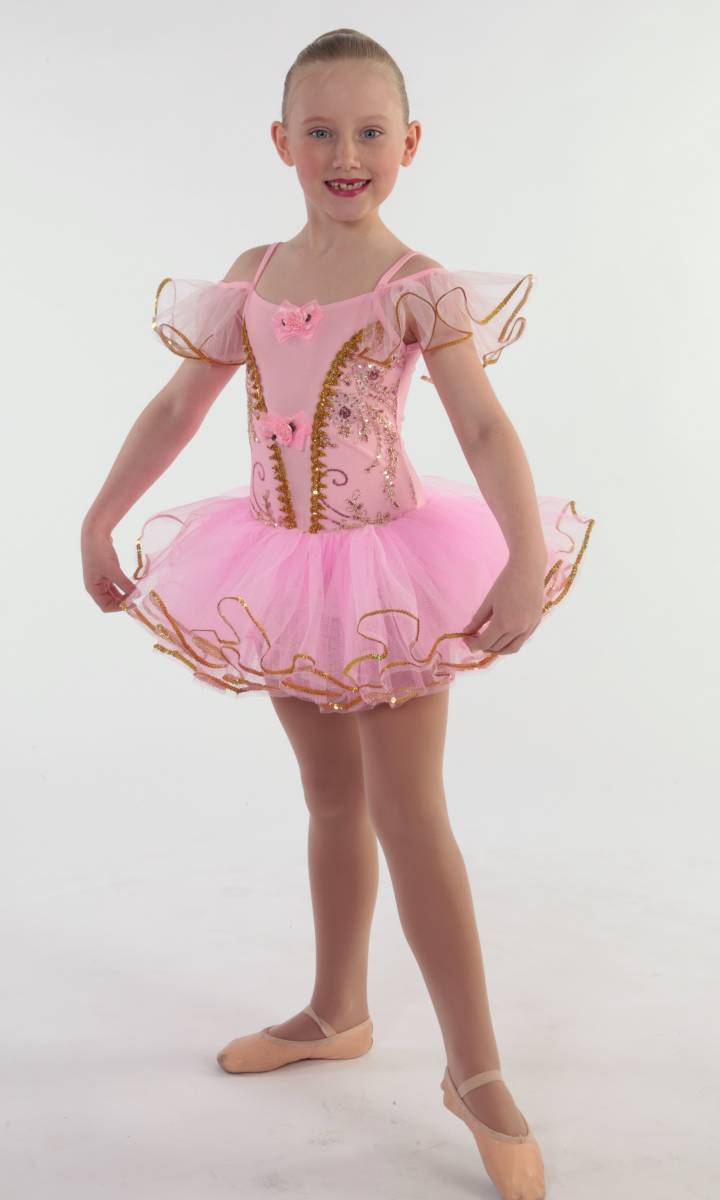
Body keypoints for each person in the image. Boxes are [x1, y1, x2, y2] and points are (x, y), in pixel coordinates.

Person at [81, 27, 595, 1200]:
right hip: (281, 572)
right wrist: (101, 516)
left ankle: (476, 1071)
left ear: (411, 144)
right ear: (282, 142)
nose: (346, 154)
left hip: (384, 582)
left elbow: (482, 426)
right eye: (321, 131)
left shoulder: (415, 285)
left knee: (411, 814)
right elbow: (176, 408)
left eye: (370, 132)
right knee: (329, 798)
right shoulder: (255, 273)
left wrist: (523, 558)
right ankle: (336, 1010)